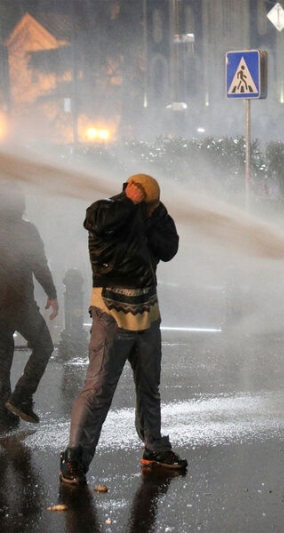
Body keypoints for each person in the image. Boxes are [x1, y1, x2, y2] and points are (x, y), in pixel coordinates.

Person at [59, 174, 186, 485]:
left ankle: (154, 449)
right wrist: (130, 204)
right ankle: (74, 457)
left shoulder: (153, 217)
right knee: (98, 388)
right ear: (131, 193)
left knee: (149, 386)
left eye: (154, 206)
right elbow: (97, 223)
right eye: (148, 204)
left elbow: (169, 248)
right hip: (110, 313)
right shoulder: (106, 210)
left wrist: (151, 217)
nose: (151, 210)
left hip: (147, 311)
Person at [0, 181, 59, 427]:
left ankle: (4, 414)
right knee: (43, 345)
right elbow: (38, 264)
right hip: (20, 302)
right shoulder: (27, 230)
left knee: (3, 355)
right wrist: (52, 294)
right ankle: (22, 396)